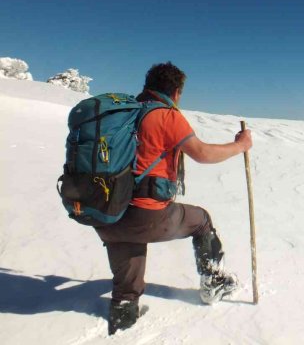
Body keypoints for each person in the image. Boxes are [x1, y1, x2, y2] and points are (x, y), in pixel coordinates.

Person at [95, 62, 253, 335]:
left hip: (105, 213)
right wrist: (240, 146)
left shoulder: (120, 114)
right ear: (176, 92)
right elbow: (201, 153)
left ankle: (124, 312)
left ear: (147, 86)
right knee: (201, 220)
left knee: (127, 237)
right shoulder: (166, 116)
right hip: (147, 215)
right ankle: (213, 282)